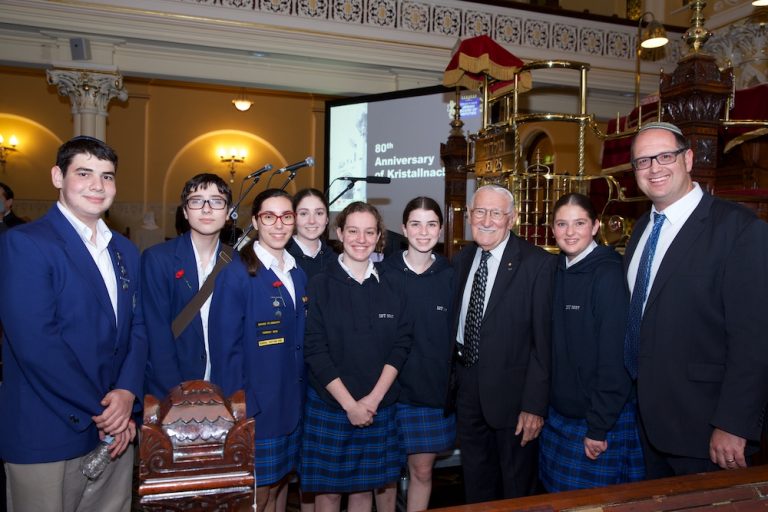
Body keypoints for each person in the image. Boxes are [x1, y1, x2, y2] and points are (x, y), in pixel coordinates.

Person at [0, 136, 146, 512]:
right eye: (84, 173)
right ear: (57, 176)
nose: (98, 185)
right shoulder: (26, 244)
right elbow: (37, 346)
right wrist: (106, 412)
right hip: (49, 429)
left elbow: (138, 329)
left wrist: (127, 393)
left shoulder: (126, 251)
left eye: (107, 176)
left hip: (115, 431)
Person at [625, 121, 768, 478]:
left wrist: (734, 424)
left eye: (665, 156)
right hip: (649, 419)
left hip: (706, 427)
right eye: (643, 161)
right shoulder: (642, 227)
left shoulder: (738, 229)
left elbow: (755, 339)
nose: (654, 168)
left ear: (688, 159)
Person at [301, 201, 412, 512]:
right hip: (331, 406)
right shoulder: (320, 284)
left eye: (369, 232)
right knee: (329, 494)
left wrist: (372, 401)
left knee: (364, 491)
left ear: (379, 237)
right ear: (339, 233)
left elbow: (401, 346)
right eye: (353, 231)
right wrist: (350, 405)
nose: (361, 239)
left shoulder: (393, 285)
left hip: (378, 407)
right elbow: (315, 349)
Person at [450, 184, 555, 503]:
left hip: (514, 399)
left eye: (496, 213)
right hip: (467, 389)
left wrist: (534, 406)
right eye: (479, 211)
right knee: (476, 482)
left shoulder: (537, 264)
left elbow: (543, 342)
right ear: (469, 215)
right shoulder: (462, 258)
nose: (486, 220)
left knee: (515, 488)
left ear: (512, 218)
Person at [538, 193, 644, 492]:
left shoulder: (609, 274)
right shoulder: (555, 271)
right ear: (553, 228)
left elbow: (615, 359)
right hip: (559, 416)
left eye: (579, 223)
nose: (570, 232)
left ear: (596, 226)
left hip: (597, 420)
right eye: (562, 224)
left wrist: (599, 426)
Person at [209, 188, 307, 512]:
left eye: (286, 216)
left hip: (291, 404)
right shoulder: (236, 272)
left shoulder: (298, 273)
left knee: (278, 488)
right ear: (255, 221)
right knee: (257, 497)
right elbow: (225, 349)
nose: (278, 224)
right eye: (269, 216)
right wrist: (242, 406)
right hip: (257, 408)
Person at [382, 197, 455, 512]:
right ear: (403, 229)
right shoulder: (383, 272)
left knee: (422, 470)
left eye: (431, 224)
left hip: (430, 391)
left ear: (440, 230)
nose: (423, 232)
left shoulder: (452, 276)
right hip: (386, 391)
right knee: (383, 477)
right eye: (415, 223)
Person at [142, 173, 236, 399]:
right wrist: (176, 394)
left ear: (228, 212)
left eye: (216, 201)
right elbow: (156, 334)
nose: (206, 209)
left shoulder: (239, 262)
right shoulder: (158, 259)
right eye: (196, 201)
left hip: (225, 387)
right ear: (185, 211)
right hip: (173, 387)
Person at [286, 188, 335, 279]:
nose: (312, 221)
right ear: (293, 218)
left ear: (327, 219)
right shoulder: (281, 256)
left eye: (319, 213)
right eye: (304, 214)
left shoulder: (336, 260)